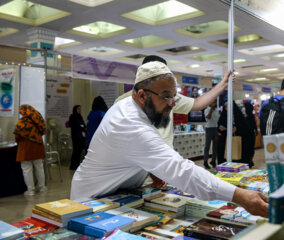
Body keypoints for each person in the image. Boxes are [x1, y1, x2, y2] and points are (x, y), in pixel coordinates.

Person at [71, 61, 268, 217]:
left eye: (174, 97)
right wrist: (240, 196)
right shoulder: (129, 123)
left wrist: (151, 167)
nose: (172, 104)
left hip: (119, 196)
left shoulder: (137, 110)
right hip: (92, 202)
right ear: (141, 96)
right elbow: (182, 170)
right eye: (166, 97)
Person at [114, 55, 233, 148]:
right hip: (138, 162)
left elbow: (197, 103)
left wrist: (221, 85)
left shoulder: (170, 97)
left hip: (164, 160)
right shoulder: (123, 102)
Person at [13, 104, 47, 196]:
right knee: (39, 168)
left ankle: (30, 190)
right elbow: (43, 131)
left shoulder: (22, 121)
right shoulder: (39, 118)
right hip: (38, 146)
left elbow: (17, 135)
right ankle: (42, 187)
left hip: (25, 148)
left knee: (27, 169)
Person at [69, 105, 86, 170]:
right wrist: (82, 127)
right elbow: (75, 125)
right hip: (76, 136)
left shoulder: (80, 116)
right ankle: (73, 166)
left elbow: (83, 125)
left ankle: (77, 165)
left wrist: (83, 127)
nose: (80, 110)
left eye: (80, 109)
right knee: (76, 151)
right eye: (78, 109)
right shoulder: (72, 116)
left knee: (79, 151)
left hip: (81, 136)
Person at [203, 100, 220, 169]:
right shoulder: (207, 110)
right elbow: (208, 117)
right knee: (207, 146)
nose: (214, 104)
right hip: (209, 129)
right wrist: (211, 110)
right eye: (213, 102)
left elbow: (218, 119)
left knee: (215, 147)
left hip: (215, 129)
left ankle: (213, 161)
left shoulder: (217, 110)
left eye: (215, 102)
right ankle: (205, 161)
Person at [241, 102, 257, 168]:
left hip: (247, 136)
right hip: (252, 136)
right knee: (251, 149)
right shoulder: (251, 116)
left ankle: (248, 161)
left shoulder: (247, 117)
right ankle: (250, 161)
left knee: (247, 149)